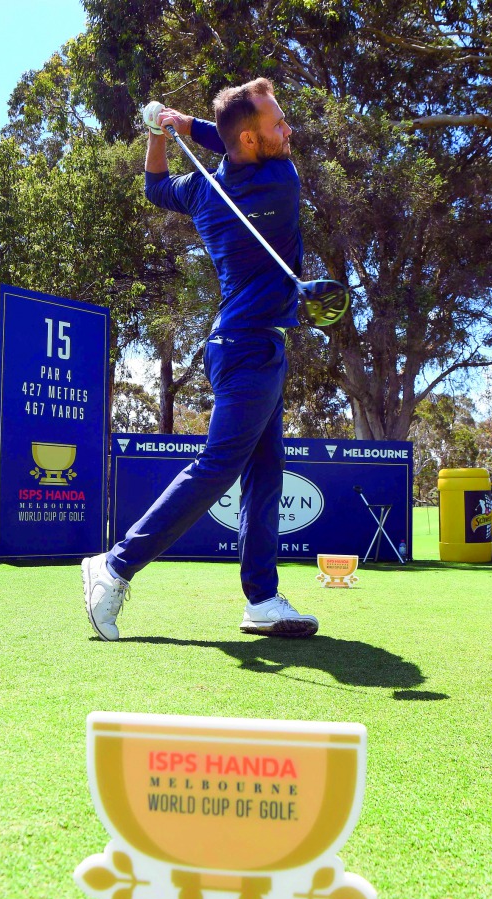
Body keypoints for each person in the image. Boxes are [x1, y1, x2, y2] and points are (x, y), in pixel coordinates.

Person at [81, 78, 319, 641]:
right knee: (218, 467)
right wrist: (185, 126)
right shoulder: (280, 179)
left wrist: (162, 132)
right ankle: (113, 566)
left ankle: (261, 598)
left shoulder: (204, 191)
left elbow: (155, 186)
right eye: (278, 124)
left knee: (266, 472)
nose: (289, 131)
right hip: (248, 347)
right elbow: (230, 141)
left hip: (245, 345)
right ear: (255, 141)